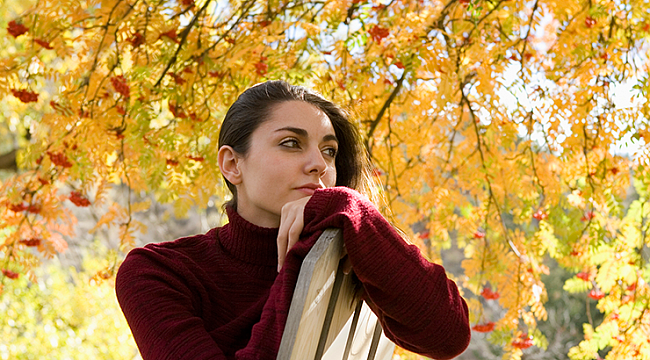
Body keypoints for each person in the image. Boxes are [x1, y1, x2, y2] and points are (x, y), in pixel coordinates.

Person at [115, 80, 470, 360]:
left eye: (328, 150)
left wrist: (351, 206)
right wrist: (298, 264)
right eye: (290, 143)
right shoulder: (156, 272)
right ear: (232, 164)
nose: (319, 164)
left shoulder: (352, 250)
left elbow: (449, 336)